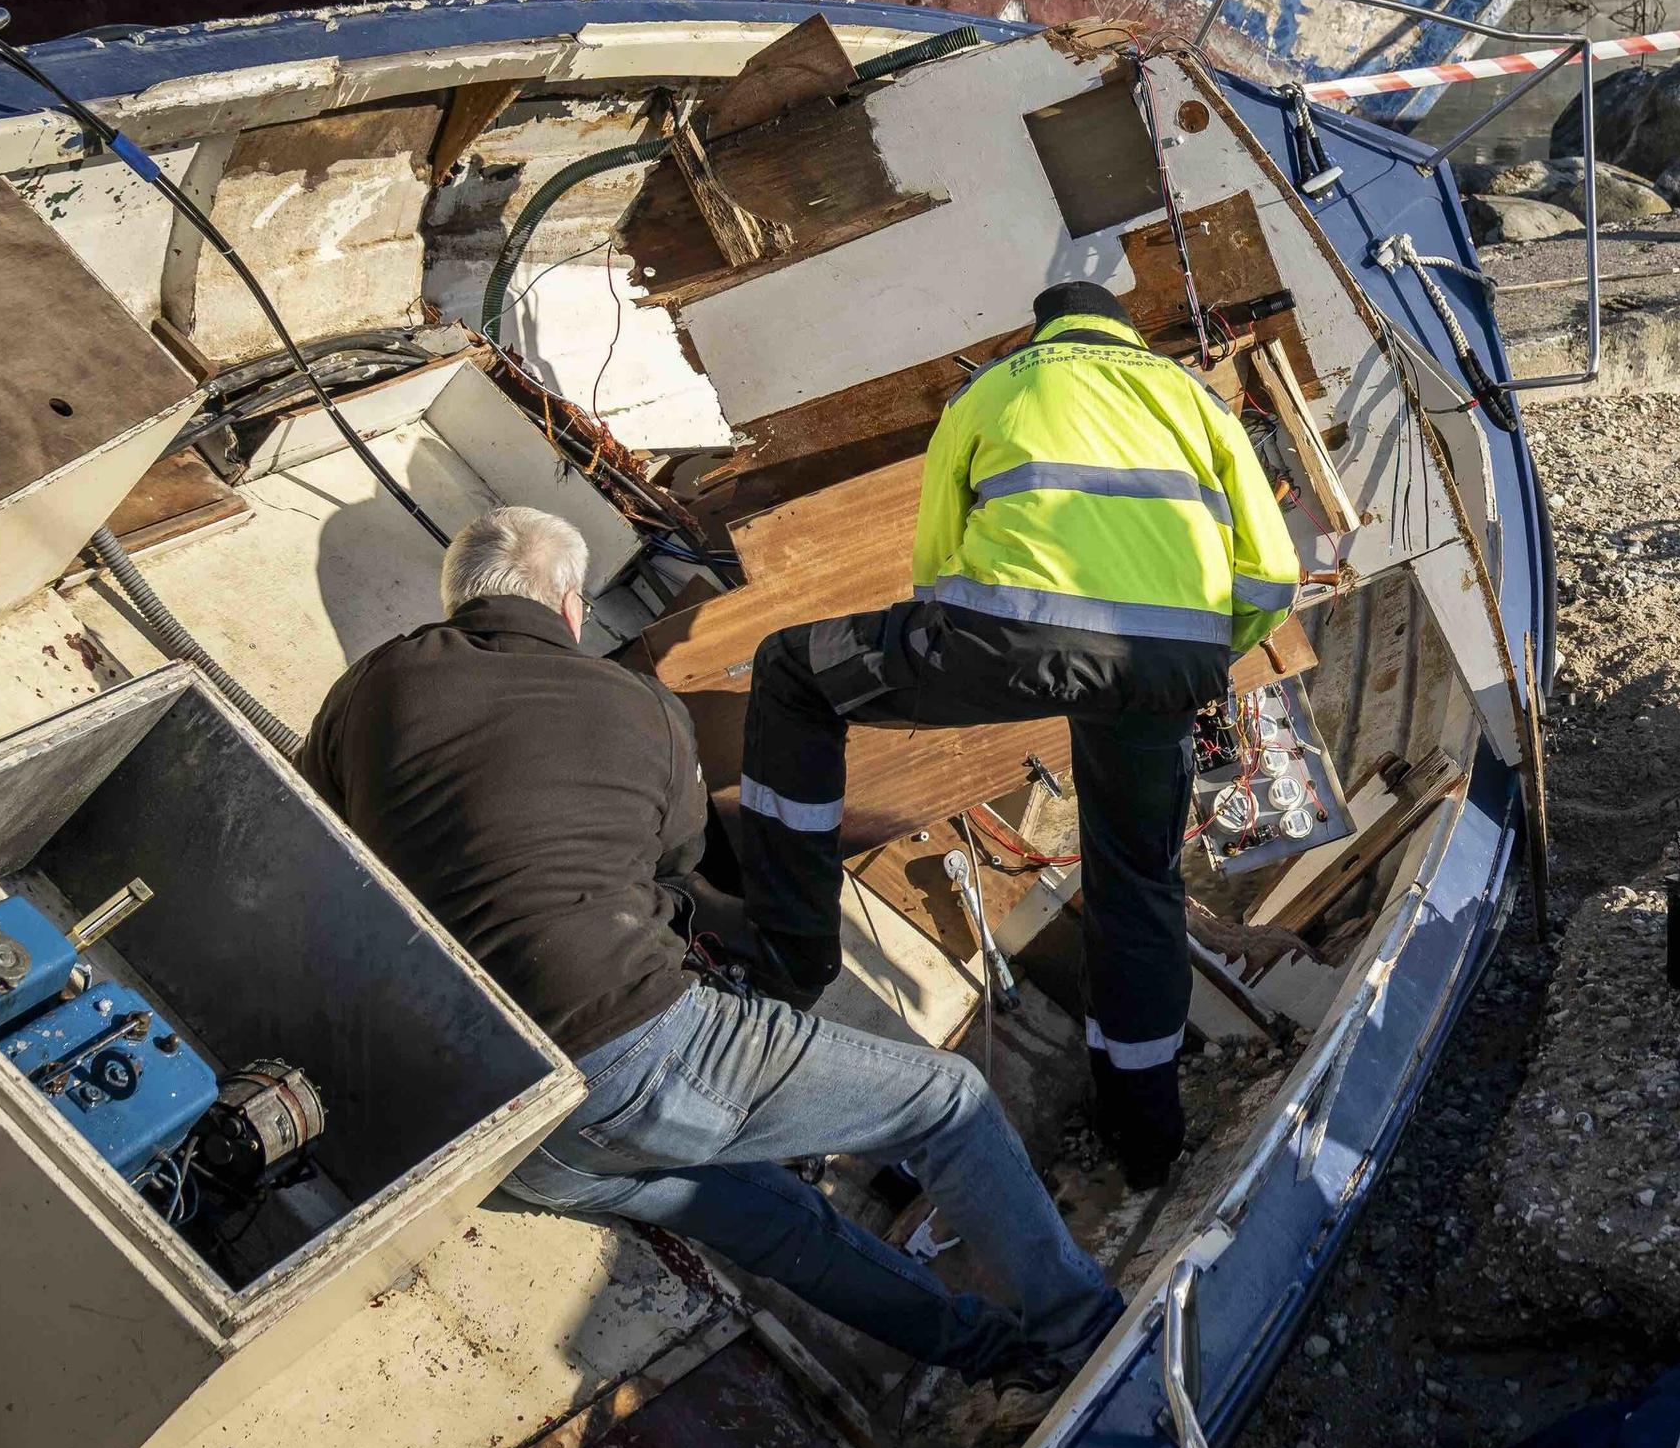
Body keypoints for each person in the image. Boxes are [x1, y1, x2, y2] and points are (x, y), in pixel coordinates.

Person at [301, 505, 1114, 1383]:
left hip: (482, 1133)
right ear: (572, 608)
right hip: (623, 1047)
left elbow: (317, 838)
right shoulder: (638, 705)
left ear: (459, 599)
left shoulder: (369, 689)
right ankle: (1092, 1337)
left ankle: (1005, 1364)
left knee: (783, 1224)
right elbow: (679, 868)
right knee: (946, 1103)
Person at [734, 281, 1302, 1189]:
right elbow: (1273, 575)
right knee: (1137, 884)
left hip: (1010, 644)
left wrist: (962, 661)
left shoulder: (990, 391)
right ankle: (1145, 1139)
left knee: (792, 674)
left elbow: (935, 564)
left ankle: (793, 959)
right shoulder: (1195, 397)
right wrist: (1193, 657)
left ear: (1041, 331)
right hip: (1169, 667)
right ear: (1125, 330)